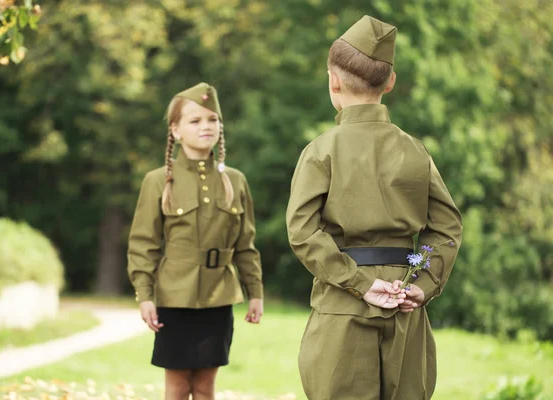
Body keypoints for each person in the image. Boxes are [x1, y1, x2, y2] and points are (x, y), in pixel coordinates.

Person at [285, 15, 463, 400]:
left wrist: (359, 283)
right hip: (405, 300)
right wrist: (423, 280)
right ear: (391, 82)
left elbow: (302, 232)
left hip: (342, 304)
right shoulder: (415, 150)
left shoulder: (321, 152)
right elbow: (445, 228)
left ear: (333, 81)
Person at [127, 82, 264, 400]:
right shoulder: (158, 181)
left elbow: (246, 243)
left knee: (205, 387)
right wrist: (144, 295)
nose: (206, 127)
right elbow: (143, 244)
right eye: (195, 120)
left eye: (212, 120)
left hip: (218, 297)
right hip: (174, 298)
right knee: (176, 387)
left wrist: (255, 292)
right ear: (175, 130)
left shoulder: (236, 181)